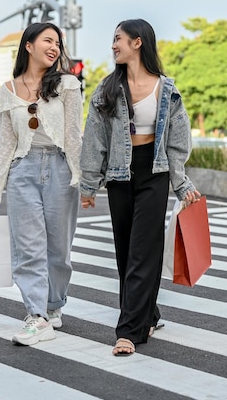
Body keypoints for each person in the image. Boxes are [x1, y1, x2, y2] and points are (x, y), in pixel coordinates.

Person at [80, 18, 201, 356]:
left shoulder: (167, 88)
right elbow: (94, 140)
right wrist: (89, 185)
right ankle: (148, 313)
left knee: (143, 250)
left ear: (138, 42)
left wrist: (181, 184)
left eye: (118, 38)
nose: (113, 45)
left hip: (155, 170)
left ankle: (129, 332)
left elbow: (178, 142)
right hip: (120, 174)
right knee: (125, 251)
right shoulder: (107, 88)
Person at [0, 22, 82, 346]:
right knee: (27, 249)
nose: (54, 47)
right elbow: (6, 144)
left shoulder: (67, 84)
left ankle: (53, 306)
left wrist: (84, 181)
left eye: (57, 43)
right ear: (28, 45)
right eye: (47, 40)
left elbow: (74, 136)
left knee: (58, 251)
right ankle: (36, 315)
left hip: (61, 170)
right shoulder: (8, 91)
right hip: (23, 171)